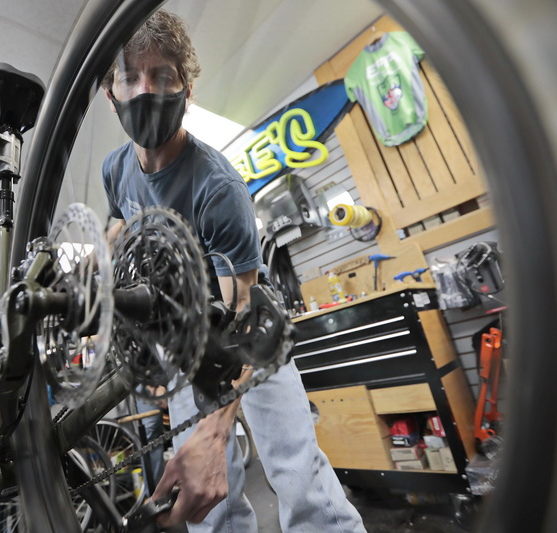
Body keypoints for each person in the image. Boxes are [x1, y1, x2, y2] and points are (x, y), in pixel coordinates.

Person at [100, 9, 366, 532]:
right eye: (131, 76)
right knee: (207, 504)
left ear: (187, 89)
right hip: (184, 344)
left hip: (252, 339)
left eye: (163, 76)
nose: (145, 91)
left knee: (299, 477)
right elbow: (119, 222)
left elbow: (241, 314)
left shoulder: (217, 187)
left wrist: (217, 430)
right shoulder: (116, 168)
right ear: (110, 91)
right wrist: (96, 262)